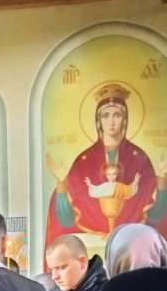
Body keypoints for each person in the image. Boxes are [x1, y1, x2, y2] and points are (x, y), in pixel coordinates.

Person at [46, 83, 167, 245]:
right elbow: (65, 220)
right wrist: (62, 182)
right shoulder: (83, 161)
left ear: (124, 119)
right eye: (105, 115)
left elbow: (156, 216)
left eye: (117, 115)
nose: (111, 122)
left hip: (132, 243)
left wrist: (161, 179)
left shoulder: (139, 158)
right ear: (98, 120)